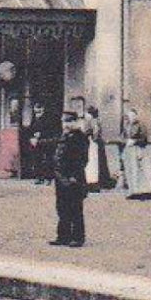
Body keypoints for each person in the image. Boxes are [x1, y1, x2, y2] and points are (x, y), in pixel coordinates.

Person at [51, 110, 90, 247]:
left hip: (74, 178)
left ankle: (78, 237)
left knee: (75, 208)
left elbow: (82, 159)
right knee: (62, 208)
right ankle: (63, 236)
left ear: (75, 122)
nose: (65, 124)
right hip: (61, 178)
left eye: (68, 121)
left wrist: (74, 176)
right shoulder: (64, 136)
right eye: (64, 121)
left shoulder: (80, 137)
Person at [119, 105, 151, 200]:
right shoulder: (127, 125)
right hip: (129, 150)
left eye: (133, 115)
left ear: (136, 116)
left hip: (139, 150)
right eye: (129, 115)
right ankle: (133, 191)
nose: (131, 117)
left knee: (141, 170)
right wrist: (125, 141)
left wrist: (135, 141)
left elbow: (144, 139)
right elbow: (122, 137)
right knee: (131, 170)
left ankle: (145, 191)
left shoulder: (141, 125)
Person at [83, 104, 114, 191]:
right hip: (94, 143)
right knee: (96, 163)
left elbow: (95, 133)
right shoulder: (95, 121)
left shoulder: (93, 121)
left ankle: (94, 182)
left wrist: (90, 138)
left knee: (94, 163)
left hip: (93, 144)